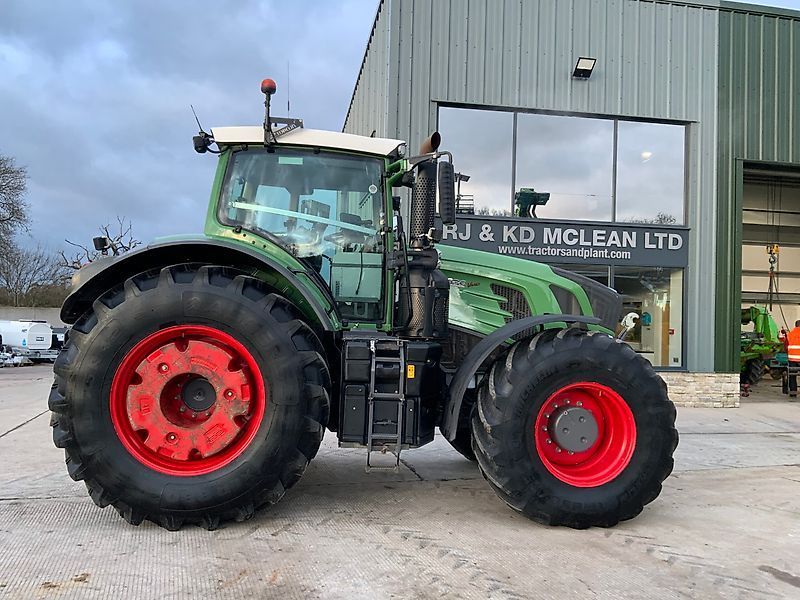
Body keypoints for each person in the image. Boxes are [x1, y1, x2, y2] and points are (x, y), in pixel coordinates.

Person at [787, 319, 800, 398]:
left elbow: (786, 345)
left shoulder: (790, 334)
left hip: (792, 359)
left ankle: (793, 392)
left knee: (792, 376)